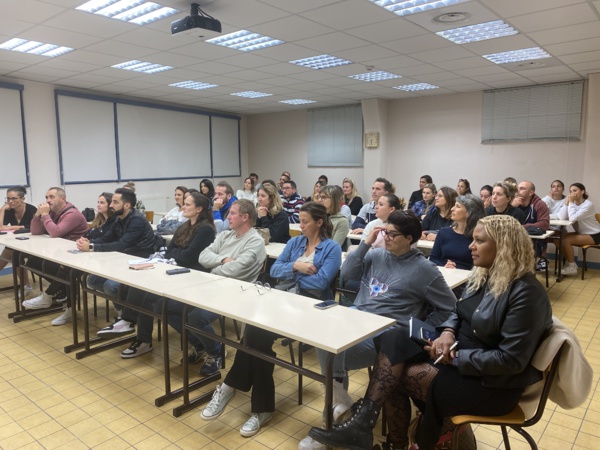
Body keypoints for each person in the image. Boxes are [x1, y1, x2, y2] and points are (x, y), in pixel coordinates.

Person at [309, 215, 553, 450]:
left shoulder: (526, 293)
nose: (470, 246)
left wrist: (456, 358)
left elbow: (511, 361)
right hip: (462, 353)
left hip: (490, 383)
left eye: (480, 241)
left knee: (395, 374)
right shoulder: (486, 276)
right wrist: (447, 332)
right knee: (396, 335)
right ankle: (366, 427)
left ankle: (383, 437)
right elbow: (458, 311)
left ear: (504, 247)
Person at [298, 211, 455, 450]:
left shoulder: (425, 270)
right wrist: (365, 243)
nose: (387, 238)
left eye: (393, 234)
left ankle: (338, 419)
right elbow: (347, 276)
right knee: (323, 338)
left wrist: (418, 324)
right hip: (354, 322)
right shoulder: (376, 254)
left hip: (384, 341)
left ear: (410, 238)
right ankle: (342, 408)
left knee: (331, 358)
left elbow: (451, 306)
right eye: (384, 232)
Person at [200, 202, 340, 437]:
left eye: (305, 222)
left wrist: (291, 274)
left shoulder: (332, 248)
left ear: (319, 222)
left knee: (254, 335)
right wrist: (297, 267)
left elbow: (321, 283)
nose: (301, 226)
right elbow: (274, 271)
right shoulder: (295, 243)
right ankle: (259, 408)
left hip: (311, 309)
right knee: (256, 335)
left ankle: (229, 387)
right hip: (283, 301)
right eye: (301, 221)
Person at [170, 199, 266, 376]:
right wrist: (222, 260)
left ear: (245, 217)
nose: (227, 216)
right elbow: (203, 256)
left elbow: (237, 269)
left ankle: (216, 352)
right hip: (212, 286)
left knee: (196, 317)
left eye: (232, 213)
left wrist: (213, 267)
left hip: (236, 292)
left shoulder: (255, 241)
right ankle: (200, 345)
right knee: (167, 307)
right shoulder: (225, 236)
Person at [118, 192, 216, 358]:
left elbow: (188, 256)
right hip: (176, 272)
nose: (183, 207)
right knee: (146, 294)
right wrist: (178, 253)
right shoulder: (185, 226)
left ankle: (200, 343)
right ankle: (140, 336)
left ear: (199, 209)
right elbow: (171, 251)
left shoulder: (206, 229)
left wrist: (177, 253)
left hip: (193, 278)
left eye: (188, 204)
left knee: (158, 303)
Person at [77, 188, 156, 330]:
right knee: (92, 280)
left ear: (126, 205)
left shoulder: (136, 220)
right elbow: (107, 238)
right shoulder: (118, 219)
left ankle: (126, 317)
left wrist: (91, 247)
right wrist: (88, 242)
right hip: (122, 260)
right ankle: (127, 310)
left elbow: (121, 244)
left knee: (110, 286)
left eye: (115, 202)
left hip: (140, 262)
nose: (111, 205)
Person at [22, 187, 88, 323]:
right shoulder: (52, 213)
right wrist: (37, 215)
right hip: (61, 253)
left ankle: (55, 299)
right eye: (46, 197)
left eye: (52, 197)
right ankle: (61, 291)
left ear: (62, 198)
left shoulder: (72, 214)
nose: (48, 200)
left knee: (67, 272)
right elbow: (35, 231)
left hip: (77, 256)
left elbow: (55, 232)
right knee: (32, 262)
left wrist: (45, 215)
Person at [430, 194, 485, 271]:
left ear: (470, 212)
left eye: (458, 206)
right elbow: (433, 259)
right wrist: (445, 265)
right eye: (454, 205)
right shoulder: (443, 232)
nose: (452, 209)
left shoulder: (479, 237)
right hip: (444, 274)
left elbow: (480, 266)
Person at [0, 186, 37, 293]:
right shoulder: (8, 210)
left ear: (22, 199)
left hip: (33, 243)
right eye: (8, 199)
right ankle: (26, 285)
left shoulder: (31, 210)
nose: (10, 201)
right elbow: (0, 226)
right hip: (18, 242)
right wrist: (2, 210)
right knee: (8, 255)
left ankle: (27, 286)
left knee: (13, 255)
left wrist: (11, 227)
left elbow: (33, 228)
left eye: (14, 198)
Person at [557, 183, 600, 276]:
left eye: (575, 190)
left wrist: (571, 202)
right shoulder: (573, 204)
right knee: (559, 238)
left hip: (594, 234)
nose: (572, 193)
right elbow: (561, 217)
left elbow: (572, 218)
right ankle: (570, 262)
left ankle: (572, 267)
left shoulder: (588, 205)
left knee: (566, 240)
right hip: (582, 233)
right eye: (570, 191)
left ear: (582, 191)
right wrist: (566, 203)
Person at [512, 181, 550, 271]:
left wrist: (523, 227)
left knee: (523, 252)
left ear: (531, 192)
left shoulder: (540, 204)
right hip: (516, 238)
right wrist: (512, 207)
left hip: (535, 241)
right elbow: (505, 221)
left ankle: (527, 277)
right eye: (518, 188)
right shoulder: (514, 203)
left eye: (522, 188)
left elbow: (544, 223)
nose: (518, 191)